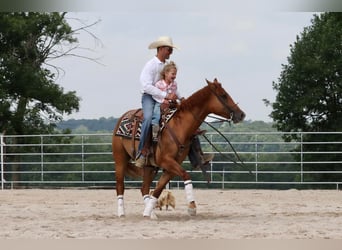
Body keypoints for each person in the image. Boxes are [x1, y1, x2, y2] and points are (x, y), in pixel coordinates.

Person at [135, 36, 214, 168]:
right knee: (148, 118)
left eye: (171, 50)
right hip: (149, 97)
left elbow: (172, 87)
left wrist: (180, 98)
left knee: (186, 120)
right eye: (169, 50)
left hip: (165, 98)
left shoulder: (167, 66)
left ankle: (197, 155)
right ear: (160, 49)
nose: (170, 53)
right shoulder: (150, 65)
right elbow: (145, 86)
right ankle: (142, 153)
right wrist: (165, 95)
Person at [151, 61, 183, 141]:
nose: (174, 76)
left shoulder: (174, 84)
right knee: (156, 113)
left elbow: (176, 92)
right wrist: (163, 101)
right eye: (173, 74)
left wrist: (181, 98)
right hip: (160, 102)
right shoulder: (159, 84)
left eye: (175, 74)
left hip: (171, 103)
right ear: (166, 73)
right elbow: (155, 95)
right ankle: (155, 130)